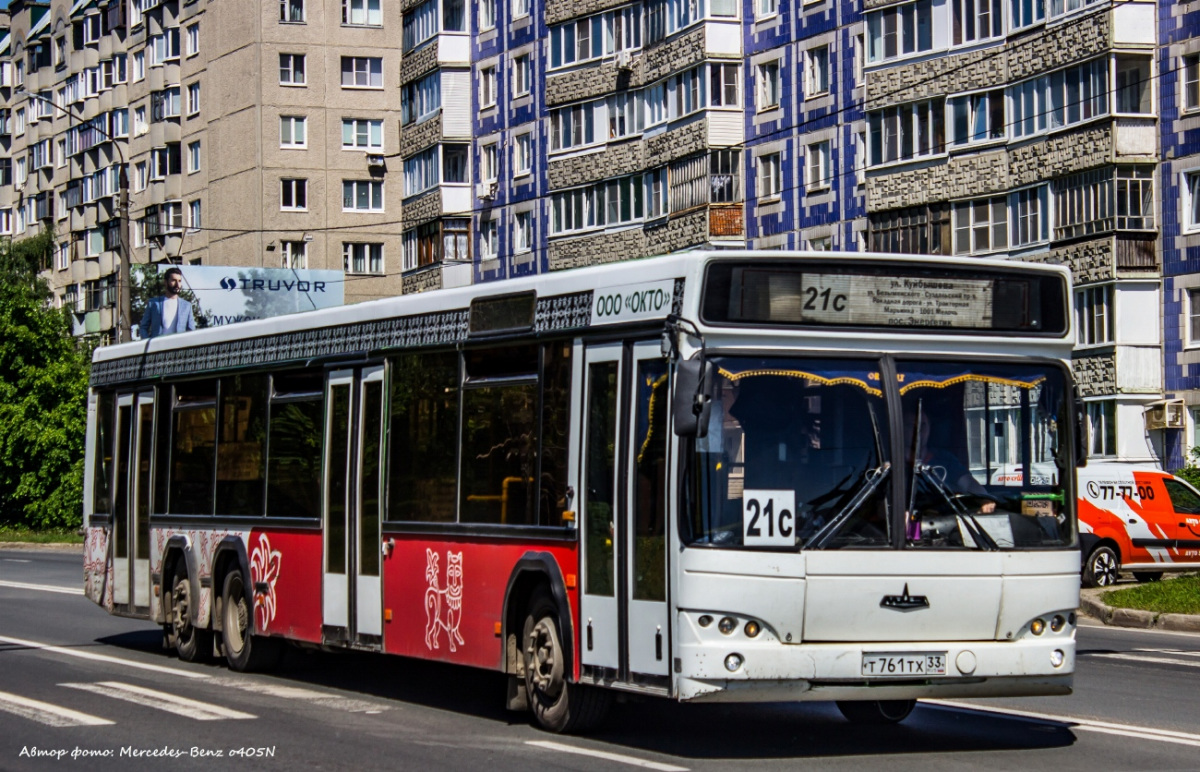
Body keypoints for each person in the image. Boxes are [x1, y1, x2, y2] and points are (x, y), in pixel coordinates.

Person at [907, 409, 995, 514]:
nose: (918, 431)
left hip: (943, 523)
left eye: (923, 425)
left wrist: (984, 500)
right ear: (900, 429)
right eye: (911, 426)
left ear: (930, 428)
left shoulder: (944, 460)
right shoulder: (893, 465)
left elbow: (968, 483)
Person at [138, 267, 196, 339]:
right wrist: (149, 345)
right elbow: (143, 327)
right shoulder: (153, 303)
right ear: (165, 282)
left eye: (179, 281)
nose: (177, 284)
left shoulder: (187, 306)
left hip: (179, 348)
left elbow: (191, 331)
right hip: (158, 347)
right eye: (174, 280)